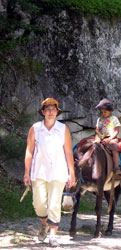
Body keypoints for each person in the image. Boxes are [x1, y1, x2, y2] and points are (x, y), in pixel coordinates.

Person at [23, 98, 75, 247]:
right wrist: (26, 172)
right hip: (39, 171)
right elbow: (29, 151)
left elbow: (68, 152)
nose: (51, 112)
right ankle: (44, 223)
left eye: (53, 109)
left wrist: (71, 172)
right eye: (48, 109)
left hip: (58, 171)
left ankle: (53, 235)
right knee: (38, 203)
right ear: (43, 112)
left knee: (54, 204)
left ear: (57, 112)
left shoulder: (63, 129)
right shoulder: (35, 128)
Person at [94, 98, 121, 174]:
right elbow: (97, 130)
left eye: (105, 112)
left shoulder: (114, 119)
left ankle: (116, 166)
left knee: (113, 147)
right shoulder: (100, 119)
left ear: (110, 110)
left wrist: (109, 139)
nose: (103, 114)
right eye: (101, 112)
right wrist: (97, 138)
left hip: (111, 138)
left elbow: (116, 131)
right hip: (101, 137)